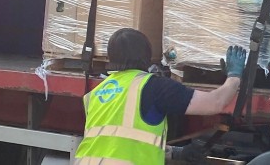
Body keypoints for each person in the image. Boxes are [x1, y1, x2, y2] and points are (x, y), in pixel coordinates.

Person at [74, 28, 247, 164]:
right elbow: (215, 103)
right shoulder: (154, 86)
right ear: (147, 55)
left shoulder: (96, 93)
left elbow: (119, 143)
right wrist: (234, 75)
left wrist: (175, 153)